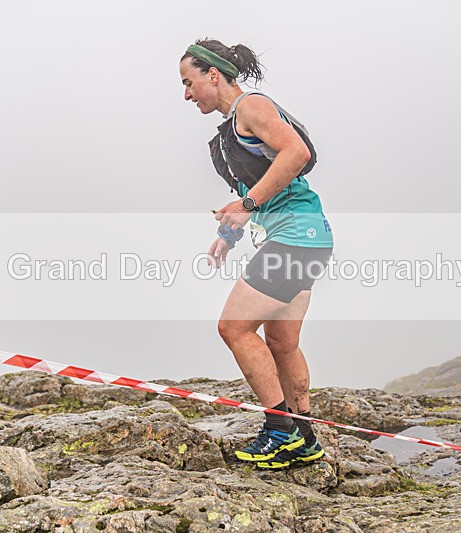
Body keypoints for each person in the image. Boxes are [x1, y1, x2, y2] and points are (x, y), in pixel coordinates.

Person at [180, 40, 334, 469]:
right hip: (310, 236)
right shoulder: (232, 130)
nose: (187, 95)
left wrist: (247, 208)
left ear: (213, 74)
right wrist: (228, 235)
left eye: (189, 83)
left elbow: (297, 153)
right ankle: (304, 437)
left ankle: (278, 430)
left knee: (233, 328)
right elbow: (255, 190)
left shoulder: (250, 107)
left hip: (295, 237)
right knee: (282, 344)